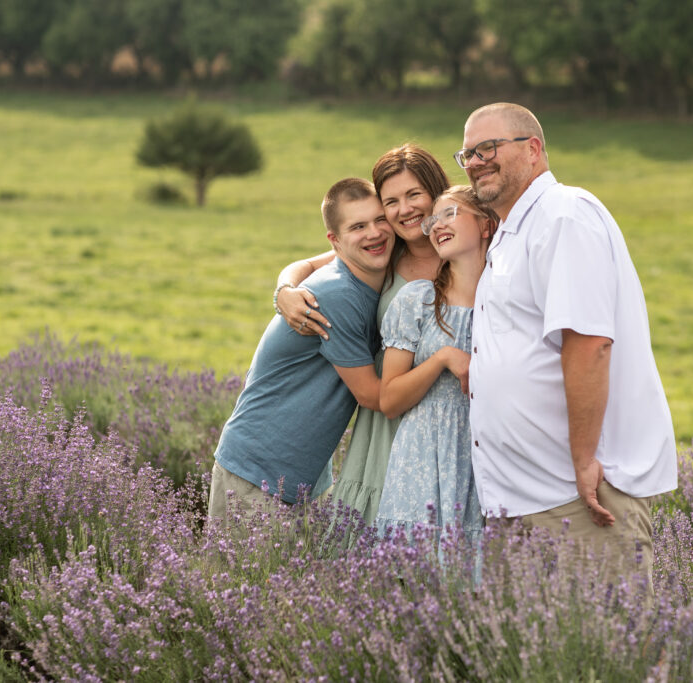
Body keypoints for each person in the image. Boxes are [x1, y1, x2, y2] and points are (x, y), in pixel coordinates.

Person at [458, 103, 678, 587]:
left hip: (575, 494)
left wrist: (582, 461)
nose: (475, 162)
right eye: (468, 154)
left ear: (533, 149)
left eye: (488, 148)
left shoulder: (563, 215)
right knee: (535, 658)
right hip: (517, 496)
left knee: (615, 649)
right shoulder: (509, 232)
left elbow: (589, 343)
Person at [272, 145, 450, 523]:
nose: (404, 210)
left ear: (436, 192)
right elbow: (308, 264)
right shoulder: (387, 249)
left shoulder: (465, 244)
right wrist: (285, 291)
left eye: (414, 194)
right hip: (386, 419)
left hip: (449, 411)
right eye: (392, 201)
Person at [207, 178, 394, 520]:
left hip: (307, 479)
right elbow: (372, 395)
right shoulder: (337, 296)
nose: (374, 233)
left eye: (380, 219)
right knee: (243, 575)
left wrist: (284, 287)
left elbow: (305, 264)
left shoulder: (369, 259)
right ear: (335, 241)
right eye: (358, 226)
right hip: (256, 475)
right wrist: (445, 361)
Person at [373, 185, 496, 545]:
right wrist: (443, 358)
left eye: (450, 214)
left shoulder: (508, 305)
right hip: (421, 463)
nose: (437, 225)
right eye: (433, 219)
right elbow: (390, 400)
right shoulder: (418, 301)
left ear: (486, 226)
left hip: (486, 463)